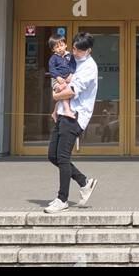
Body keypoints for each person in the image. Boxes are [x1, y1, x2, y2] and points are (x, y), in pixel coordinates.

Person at [45, 32, 99, 213]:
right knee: (53, 155)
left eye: (78, 50)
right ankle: (84, 182)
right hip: (62, 113)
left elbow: (72, 91)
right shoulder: (71, 59)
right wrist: (55, 108)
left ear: (88, 50)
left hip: (75, 116)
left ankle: (62, 199)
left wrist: (55, 95)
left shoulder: (89, 67)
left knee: (62, 157)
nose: (73, 51)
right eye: (74, 47)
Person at [47, 34, 76, 122]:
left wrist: (71, 74)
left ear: (66, 45)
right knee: (63, 91)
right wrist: (58, 77)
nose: (60, 48)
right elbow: (51, 69)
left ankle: (55, 112)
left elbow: (73, 66)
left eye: (61, 45)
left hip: (67, 79)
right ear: (53, 49)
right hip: (56, 80)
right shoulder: (53, 58)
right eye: (57, 47)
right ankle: (67, 111)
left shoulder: (70, 56)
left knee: (64, 93)